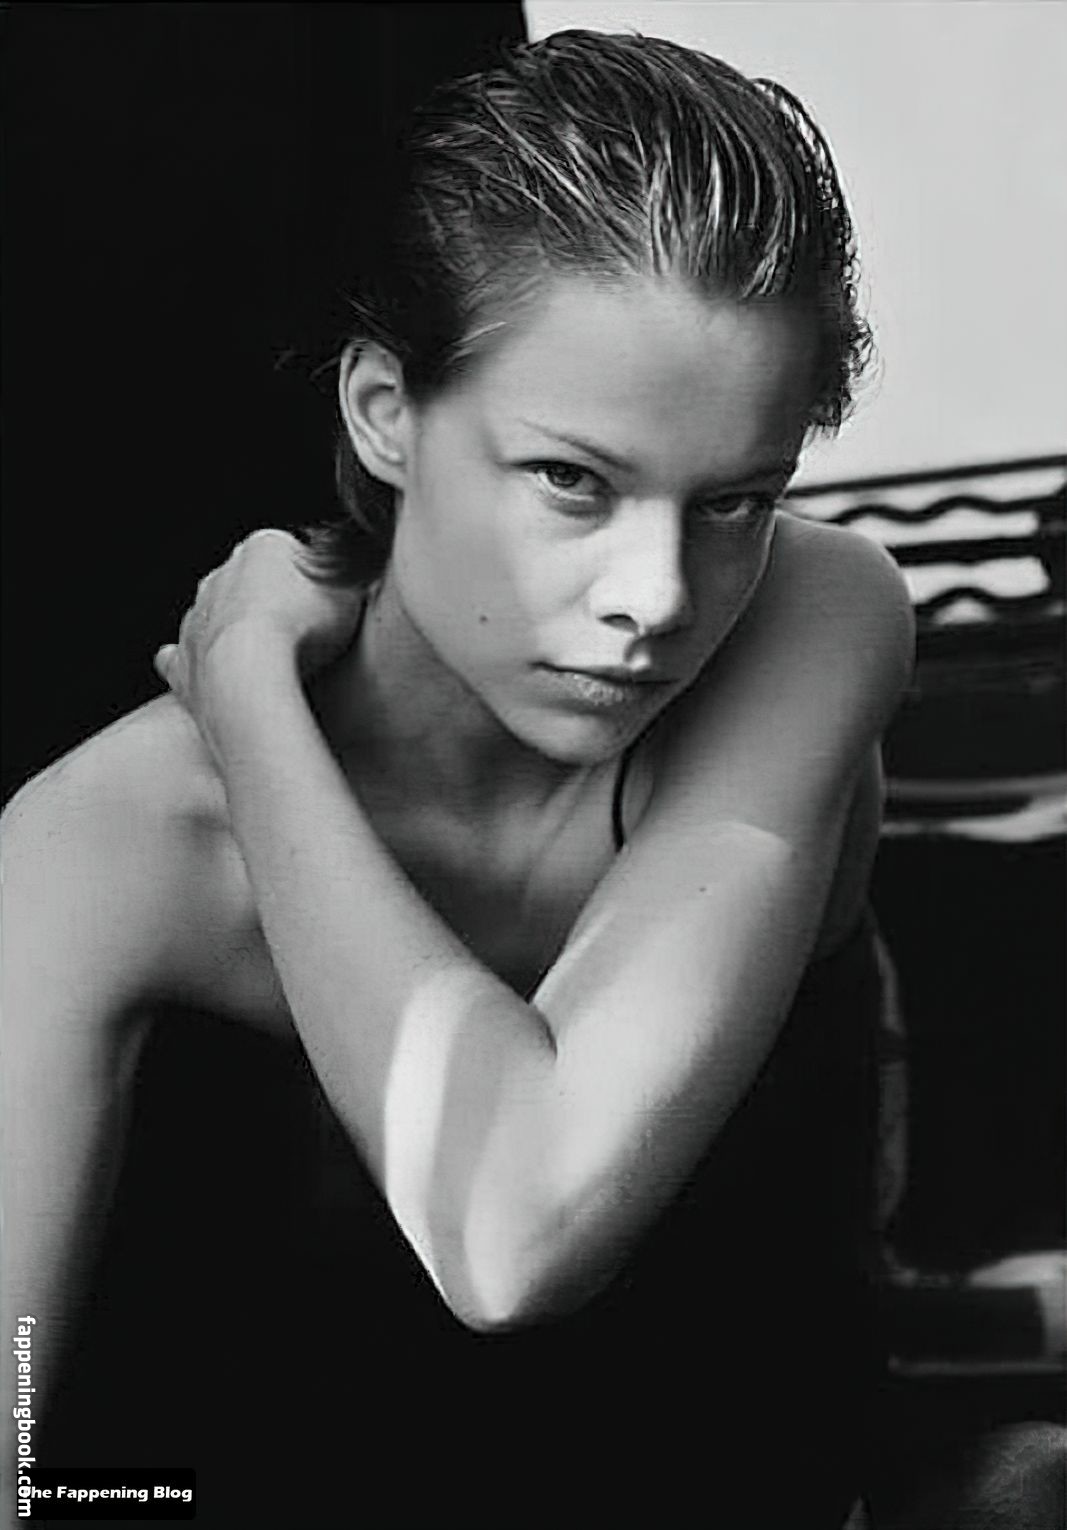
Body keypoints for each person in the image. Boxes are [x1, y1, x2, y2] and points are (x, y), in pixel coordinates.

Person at [2, 29, 914, 1530]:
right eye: (573, 480)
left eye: (736, 502)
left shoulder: (814, 616)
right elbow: (17, 1453)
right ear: (383, 413)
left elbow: (513, 1232)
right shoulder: (104, 844)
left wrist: (251, 699)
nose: (657, 597)